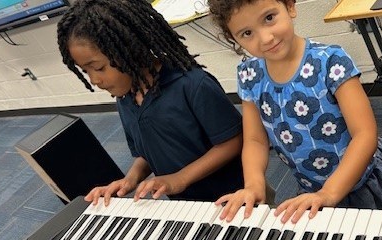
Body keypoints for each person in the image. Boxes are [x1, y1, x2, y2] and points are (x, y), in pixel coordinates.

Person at [207, 0, 382, 224]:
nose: (265, 38)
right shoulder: (248, 76)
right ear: (234, 39)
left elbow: (365, 134)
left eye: (269, 18)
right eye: (247, 33)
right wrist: (254, 185)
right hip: (312, 190)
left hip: (367, 181)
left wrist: (330, 192)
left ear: (290, 6)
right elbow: (255, 140)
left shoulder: (330, 61)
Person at [56, 0, 244, 205]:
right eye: (86, 71)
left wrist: (181, 178)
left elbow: (233, 141)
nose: (94, 80)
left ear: (129, 48)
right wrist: (130, 179)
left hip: (232, 199)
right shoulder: (125, 98)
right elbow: (147, 152)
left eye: (99, 68)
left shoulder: (192, 85)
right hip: (186, 205)